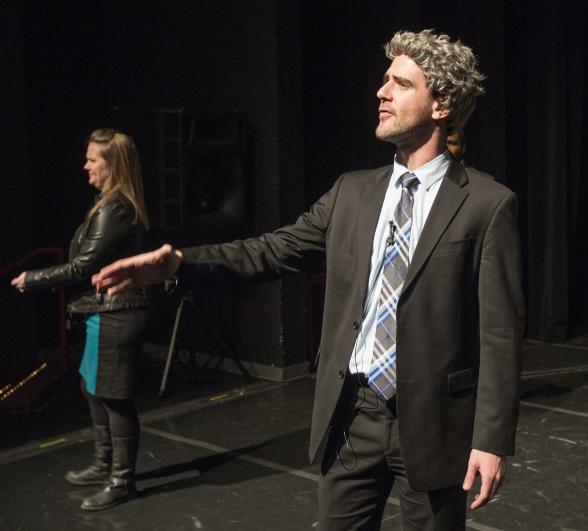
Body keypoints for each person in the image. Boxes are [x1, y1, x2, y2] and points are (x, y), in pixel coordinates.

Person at [93, 29, 524, 530]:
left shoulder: (487, 204)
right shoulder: (352, 192)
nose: (381, 92)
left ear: (442, 103)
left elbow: (499, 334)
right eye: (384, 80)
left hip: (433, 423)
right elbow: (271, 250)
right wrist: (180, 263)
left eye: (400, 84)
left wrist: (491, 439)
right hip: (353, 414)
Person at [11, 129, 150, 511]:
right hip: (101, 312)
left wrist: (33, 279)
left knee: (114, 397)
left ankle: (123, 481)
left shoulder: (116, 208)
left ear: (113, 165)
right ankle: (106, 465)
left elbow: (83, 266)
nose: (85, 166)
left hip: (116, 312)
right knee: (93, 387)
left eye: (93, 160)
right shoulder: (108, 204)